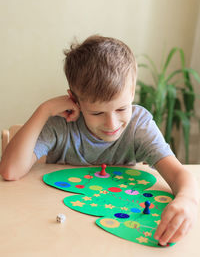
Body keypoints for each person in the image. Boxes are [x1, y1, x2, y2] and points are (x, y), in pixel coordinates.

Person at [0, 35, 198, 246]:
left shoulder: (139, 126)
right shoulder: (61, 123)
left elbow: (178, 174)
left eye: (121, 109)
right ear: (74, 100)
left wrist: (188, 200)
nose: (111, 124)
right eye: (97, 113)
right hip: (61, 233)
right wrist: (45, 109)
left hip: (116, 234)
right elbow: (10, 171)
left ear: (131, 93)